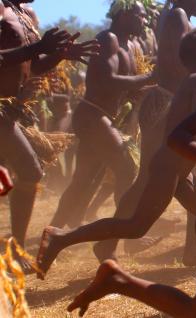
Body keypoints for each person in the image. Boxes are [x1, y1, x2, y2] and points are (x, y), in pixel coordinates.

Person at [36, 27, 196, 276]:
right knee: (136, 227)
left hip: (174, 169)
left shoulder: (194, 82)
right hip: (168, 169)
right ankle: (61, 237)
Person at [0, 0, 99, 271]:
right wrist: (39, 46)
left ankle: (15, 250)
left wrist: (59, 55)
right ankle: (15, 251)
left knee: (26, 171)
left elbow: (34, 66)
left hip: (11, 110)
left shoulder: (25, 14)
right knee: (30, 170)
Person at [47, 1, 158, 231]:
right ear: (124, 14)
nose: (144, 20)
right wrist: (146, 79)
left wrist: (152, 87)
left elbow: (129, 88)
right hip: (92, 116)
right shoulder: (108, 39)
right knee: (126, 167)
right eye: (140, 15)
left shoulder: (130, 46)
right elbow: (107, 80)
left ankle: (54, 230)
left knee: (83, 180)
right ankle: (123, 231)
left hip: (102, 117)